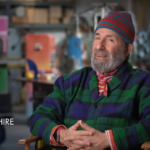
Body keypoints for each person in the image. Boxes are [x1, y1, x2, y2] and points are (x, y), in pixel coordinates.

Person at [30, 11, 150, 150]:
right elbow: (38, 117)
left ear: (127, 49)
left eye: (110, 40)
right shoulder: (70, 82)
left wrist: (109, 140)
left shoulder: (143, 83)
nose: (99, 46)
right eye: (97, 38)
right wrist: (62, 135)